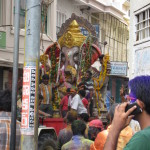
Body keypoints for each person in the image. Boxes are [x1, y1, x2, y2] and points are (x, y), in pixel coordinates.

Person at [104, 76, 150, 150]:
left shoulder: (142, 138)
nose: (127, 103)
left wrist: (114, 128)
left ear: (140, 104)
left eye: (130, 99)